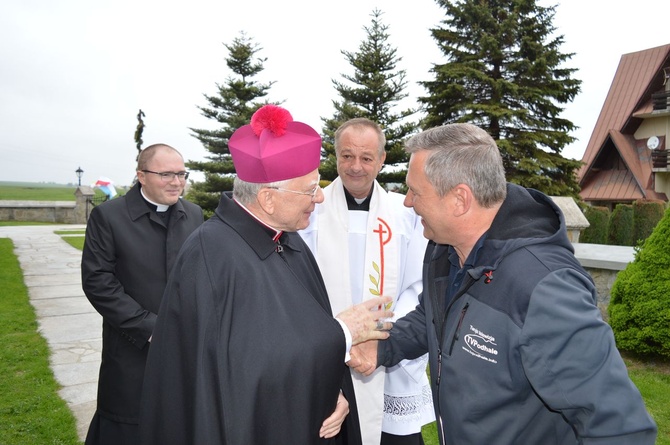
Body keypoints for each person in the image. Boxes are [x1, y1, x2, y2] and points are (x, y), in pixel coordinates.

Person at [349, 123, 658, 444]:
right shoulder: (445, 251)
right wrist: (382, 346)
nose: (408, 202)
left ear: (459, 199)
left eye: (416, 191)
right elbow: (431, 316)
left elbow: (620, 426)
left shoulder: (544, 287)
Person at [138, 105, 395, 445]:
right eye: (309, 189)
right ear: (268, 199)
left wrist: (333, 389)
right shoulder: (212, 254)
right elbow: (246, 369)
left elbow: (296, 335)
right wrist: (344, 332)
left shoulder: (289, 240)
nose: (319, 197)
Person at [300, 118, 434, 445]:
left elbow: (418, 286)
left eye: (366, 157)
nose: (355, 166)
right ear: (334, 157)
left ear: (382, 159)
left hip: (388, 350)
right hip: (327, 348)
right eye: (347, 156)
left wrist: (380, 334)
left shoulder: (405, 213)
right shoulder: (310, 213)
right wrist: (339, 333)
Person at [81, 143, 204, 445]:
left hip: (185, 345)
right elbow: (98, 282)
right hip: (131, 347)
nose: (177, 182)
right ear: (141, 176)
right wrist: (150, 327)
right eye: (166, 175)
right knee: (129, 425)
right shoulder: (108, 217)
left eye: (181, 174)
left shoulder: (194, 214)